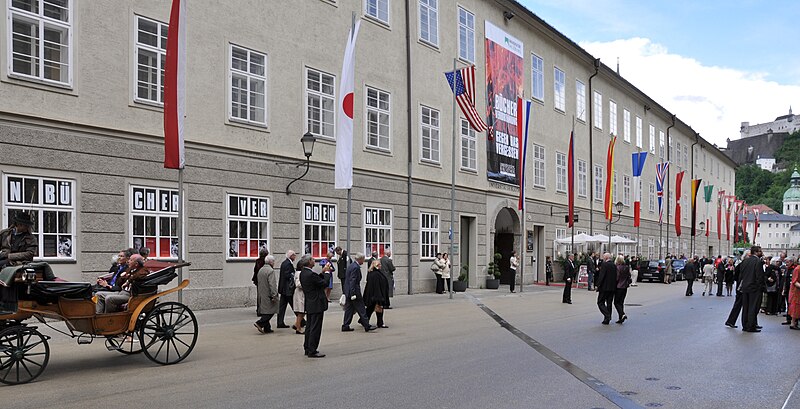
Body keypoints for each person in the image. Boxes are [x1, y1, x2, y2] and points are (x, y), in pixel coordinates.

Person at [299, 254, 331, 358]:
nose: (314, 260)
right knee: (315, 328)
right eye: (313, 259)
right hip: (316, 303)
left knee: (309, 327)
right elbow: (324, 283)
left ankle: (307, 347)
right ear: (309, 262)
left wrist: (321, 273)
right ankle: (312, 350)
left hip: (310, 303)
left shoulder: (304, 273)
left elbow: (317, 281)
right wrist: (327, 272)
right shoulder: (310, 274)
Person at [342, 253, 377, 332]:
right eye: (363, 259)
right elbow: (352, 281)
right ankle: (367, 325)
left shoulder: (351, 265)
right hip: (354, 292)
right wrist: (353, 293)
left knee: (349, 309)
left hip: (349, 291)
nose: (364, 261)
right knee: (361, 308)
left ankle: (345, 325)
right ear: (360, 259)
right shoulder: (355, 268)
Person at [738, 246, 765, 333]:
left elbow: (741, 274)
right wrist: (760, 287)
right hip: (754, 288)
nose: (761, 253)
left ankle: (745, 325)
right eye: (760, 251)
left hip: (745, 287)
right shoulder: (758, 261)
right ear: (756, 252)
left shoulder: (745, 261)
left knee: (746, 307)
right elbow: (759, 276)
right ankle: (751, 326)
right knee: (753, 307)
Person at [254, 255, 278, 334]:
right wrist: (274, 295)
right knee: (271, 311)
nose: (274, 263)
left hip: (262, 293)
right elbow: (272, 284)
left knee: (265, 311)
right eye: (273, 261)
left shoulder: (261, 270)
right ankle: (260, 323)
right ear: (271, 262)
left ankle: (267, 328)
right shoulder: (270, 271)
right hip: (269, 294)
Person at [363, 259, 389, 328]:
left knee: (371, 309)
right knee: (377, 308)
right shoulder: (375, 274)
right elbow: (376, 285)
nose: (381, 266)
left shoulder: (373, 273)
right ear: (376, 266)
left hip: (373, 295)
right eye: (379, 264)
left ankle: (365, 320)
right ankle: (378, 323)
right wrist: (379, 296)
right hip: (376, 295)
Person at [276, 250, 297, 329]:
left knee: (282, 306)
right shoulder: (288, 264)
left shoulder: (285, 263)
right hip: (288, 288)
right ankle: (301, 321)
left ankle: (280, 322)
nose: (295, 257)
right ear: (291, 256)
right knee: (294, 305)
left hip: (284, 288)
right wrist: (294, 276)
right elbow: (288, 275)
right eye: (294, 255)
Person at [595, 253, 617, 325]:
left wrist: (598, 285)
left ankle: (607, 315)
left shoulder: (604, 265)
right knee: (609, 303)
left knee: (600, 302)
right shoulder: (614, 265)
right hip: (612, 287)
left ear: (606, 258)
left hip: (604, 287)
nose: (603, 258)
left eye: (604, 257)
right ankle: (607, 319)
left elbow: (602, 276)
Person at [614, 255, 631, 324]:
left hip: (618, 287)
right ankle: (620, 317)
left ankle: (622, 314)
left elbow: (617, 278)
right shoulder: (626, 267)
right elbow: (629, 276)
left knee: (616, 302)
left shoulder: (617, 268)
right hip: (625, 287)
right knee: (621, 302)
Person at [292, 262, 306, 335]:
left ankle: (296, 324)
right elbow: (298, 284)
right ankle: (298, 328)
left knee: (302, 311)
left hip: (301, 293)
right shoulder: (299, 273)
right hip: (300, 293)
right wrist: (306, 284)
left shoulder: (299, 272)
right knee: (301, 311)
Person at [787, 260, 800, 330]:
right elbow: (795, 281)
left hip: (797, 290)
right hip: (796, 291)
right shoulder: (797, 269)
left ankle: (794, 322)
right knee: (795, 306)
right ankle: (793, 323)